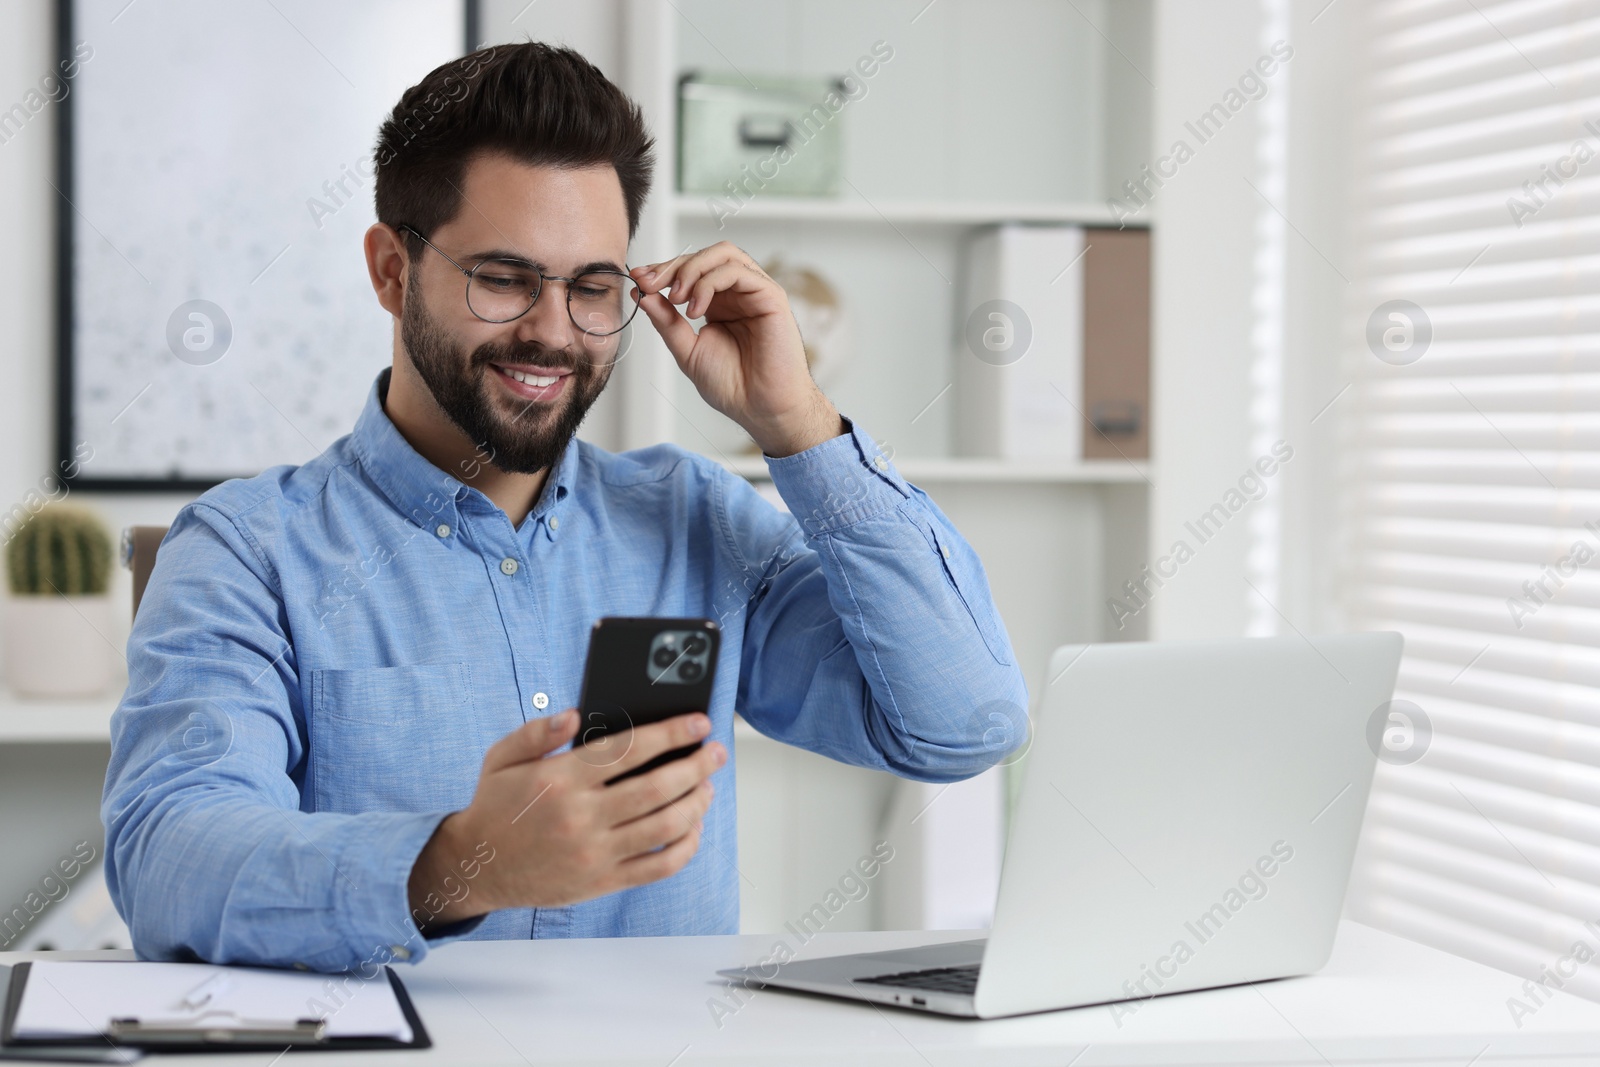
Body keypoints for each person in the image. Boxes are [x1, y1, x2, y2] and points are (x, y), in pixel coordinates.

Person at [102, 41, 1028, 973]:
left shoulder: (696, 522)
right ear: (391, 270)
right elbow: (167, 855)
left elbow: (963, 726)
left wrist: (798, 423)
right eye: (503, 278)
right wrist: (458, 861)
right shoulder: (245, 551)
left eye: (592, 287)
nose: (553, 331)